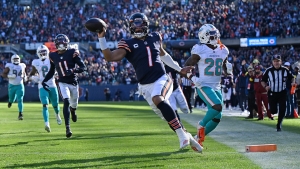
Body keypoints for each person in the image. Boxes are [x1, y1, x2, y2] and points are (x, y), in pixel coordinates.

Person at [96, 12, 202, 152]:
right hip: (145, 87)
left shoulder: (155, 37)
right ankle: (189, 137)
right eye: (135, 26)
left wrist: (180, 69)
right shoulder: (127, 43)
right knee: (168, 117)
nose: (138, 29)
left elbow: (164, 55)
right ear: (130, 27)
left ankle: (182, 136)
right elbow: (109, 57)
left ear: (146, 25)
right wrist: (101, 37)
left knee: (158, 98)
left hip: (162, 78)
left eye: (140, 26)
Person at [184, 24, 231, 147]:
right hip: (204, 85)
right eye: (212, 35)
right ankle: (202, 124)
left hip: (217, 86)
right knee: (217, 106)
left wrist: (228, 69)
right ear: (204, 37)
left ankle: (197, 139)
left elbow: (224, 68)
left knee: (217, 117)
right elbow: (185, 67)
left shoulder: (223, 49)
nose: (215, 36)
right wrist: (192, 78)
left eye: (216, 34)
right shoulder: (200, 49)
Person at [42, 34, 87, 138]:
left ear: (67, 43)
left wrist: (72, 70)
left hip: (73, 82)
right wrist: (44, 80)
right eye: (60, 43)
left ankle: (73, 111)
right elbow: (52, 70)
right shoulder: (53, 55)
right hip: (62, 82)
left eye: (63, 42)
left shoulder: (72, 52)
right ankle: (67, 128)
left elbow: (83, 67)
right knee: (66, 101)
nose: (61, 45)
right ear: (56, 44)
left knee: (74, 104)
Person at [28, 45, 62, 132]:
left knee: (55, 104)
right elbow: (31, 74)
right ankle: (47, 123)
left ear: (47, 52)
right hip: (42, 86)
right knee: (45, 105)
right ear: (38, 54)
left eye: (44, 52)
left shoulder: (51, 59)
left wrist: (57, 73)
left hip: (52, 85)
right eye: (41, 52)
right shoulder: (35, 62)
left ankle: (57, 114)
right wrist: (33, 78)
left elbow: (59, 69)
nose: (43, 54)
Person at [261, 55, 295, 131]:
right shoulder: (268, 70)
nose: (276, 63)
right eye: (275, 61)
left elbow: (292, 77)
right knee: (273, 111)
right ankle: (272, 110)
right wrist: (265, 87)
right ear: (272, 62)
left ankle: (279, 124)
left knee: (283, 109)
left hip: (282, 92)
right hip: (272, 93)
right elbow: (263, 81)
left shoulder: (285, 70)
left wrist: (293, 83)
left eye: (278, 61)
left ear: (281, 62)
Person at [2, 54, 27, 120]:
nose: (16, 60)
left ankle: (20, 113)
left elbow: (24, 73)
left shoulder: (22, 65)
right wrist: (9, 76)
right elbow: (3, 74)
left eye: (17, 59)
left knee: (20, 99)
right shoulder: (9, 66)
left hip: (20, 85)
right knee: (11, 98)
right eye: (15, 59)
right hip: (12, 85)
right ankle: (10, 102)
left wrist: (25, 77)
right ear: (12, 60)